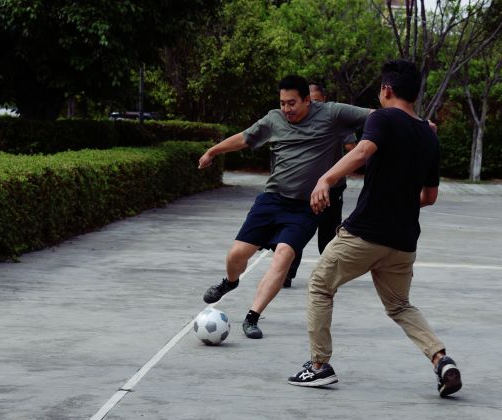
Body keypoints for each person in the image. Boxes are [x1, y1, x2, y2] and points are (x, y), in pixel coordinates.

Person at [287, 60, 462, 397]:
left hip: (365, 234)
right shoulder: (429, 134)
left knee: (320, 286)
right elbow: (430, 196)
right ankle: (442, 360)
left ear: (386, 90)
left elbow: (364, 150)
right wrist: (401, 199)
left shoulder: (382, 118)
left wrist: (326, 178)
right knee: (400, 306)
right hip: (403, 241)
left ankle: (319, 366)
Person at [198, 75, 372, 339]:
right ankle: (230, 282)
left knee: (283, 255)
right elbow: (245, 138)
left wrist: (415, 123)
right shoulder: (274, 119)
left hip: (305, 208)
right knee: (236, 255)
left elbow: (376, 116)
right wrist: (213, 151)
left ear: (307, 100)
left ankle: (252, 317)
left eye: (292, 103)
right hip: (272, 200)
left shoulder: (332, 114)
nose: (287, 109)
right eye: (283, 103)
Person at [284, 81, 358, 288]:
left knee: (328, 234)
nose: (312, 106)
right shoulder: (294, 120)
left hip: (332, 188)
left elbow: (353, 149)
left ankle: (330, 274)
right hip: (303, 188)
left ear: (323, 100)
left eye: (316, 101)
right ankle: (287, 273)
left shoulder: (334, 119)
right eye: (309, 102)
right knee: (294, 231)